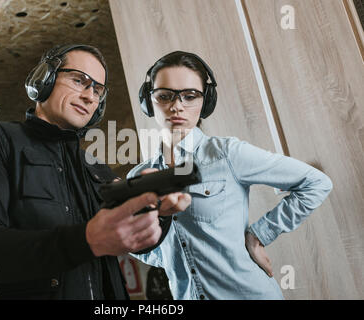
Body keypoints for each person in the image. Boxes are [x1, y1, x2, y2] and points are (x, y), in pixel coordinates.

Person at [0, 44, 191, 300]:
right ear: (44, 80)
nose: (89, 96)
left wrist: (153, 208)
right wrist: (87, 240)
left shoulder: (95, 168)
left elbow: (138, 243)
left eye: (97, 90)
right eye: (79, 80)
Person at [127, 51, 333, 300]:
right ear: (149, 101)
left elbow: (316, 183)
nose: (176, 106)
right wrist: (166, 256)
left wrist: (258, 235)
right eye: (164, 96)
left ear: (206, 101)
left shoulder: (227, 154)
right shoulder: (139, 176)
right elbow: (132, 238)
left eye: (190, 96)